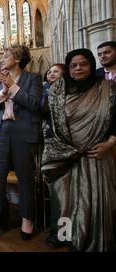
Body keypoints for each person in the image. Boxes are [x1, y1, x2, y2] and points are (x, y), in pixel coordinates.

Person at [42, 48, 116, 252]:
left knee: (93, 203)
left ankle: (91, 239)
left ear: (92, 66)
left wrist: (109, 144)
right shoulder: (58, 90)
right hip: (65, 157)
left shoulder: (107, 88)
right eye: (73, 65)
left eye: (83, 64)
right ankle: (65, 237)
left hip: (95, 157)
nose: (78, 68)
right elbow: (50, 122)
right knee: (64, 202)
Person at [0, 45, 43, 241]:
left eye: (6, 55)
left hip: (23, 133)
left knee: (25, 179)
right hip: (1, 133)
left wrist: (14, 87)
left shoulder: (32, 78)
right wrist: (0, 95)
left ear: (17, 59)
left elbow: (35, 104)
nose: (2, 59)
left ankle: (27, 219)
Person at [40, 63, 67, 249]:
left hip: (68, 144)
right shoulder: (43, 91)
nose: (51, 74)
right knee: (52, 187)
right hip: (47, 142)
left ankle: (65, 232)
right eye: (49, 71)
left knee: (66, 191)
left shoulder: (71, 90)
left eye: (56, 71)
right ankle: (53, 226)